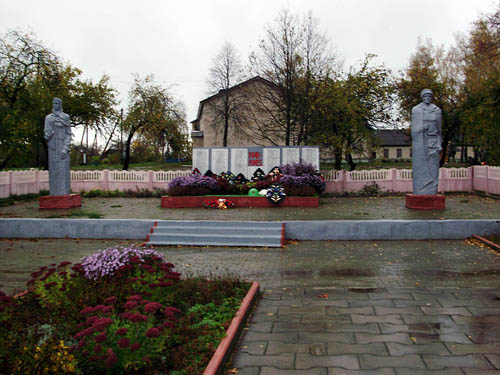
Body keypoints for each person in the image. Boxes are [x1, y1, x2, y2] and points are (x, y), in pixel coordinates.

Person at [411, 89, 442, 195]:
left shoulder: (436, 110)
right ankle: (420, 189)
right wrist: (421, 128)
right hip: (421, 142)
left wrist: (439, 143)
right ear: (422, 97)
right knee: (420, 166)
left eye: (429, 96)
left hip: (433, 142)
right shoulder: (416, 110)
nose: (427, 98)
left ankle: (432, 188)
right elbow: (414, 130)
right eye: (425, 96)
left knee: (433, 167)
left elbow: (439, 129)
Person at [44, 98, 72, 196]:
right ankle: (54, 193)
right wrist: (49, 132)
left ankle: (64, 193)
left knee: (63, 170)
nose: (55, 105)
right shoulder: (48, 118)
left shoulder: (65, 117)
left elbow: (69, 134)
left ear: (60, 104)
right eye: (54, 103)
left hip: (62, 145)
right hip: (52, 146)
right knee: (54, 170)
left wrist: (66, 147)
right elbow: (46, 135)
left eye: (57, 103)